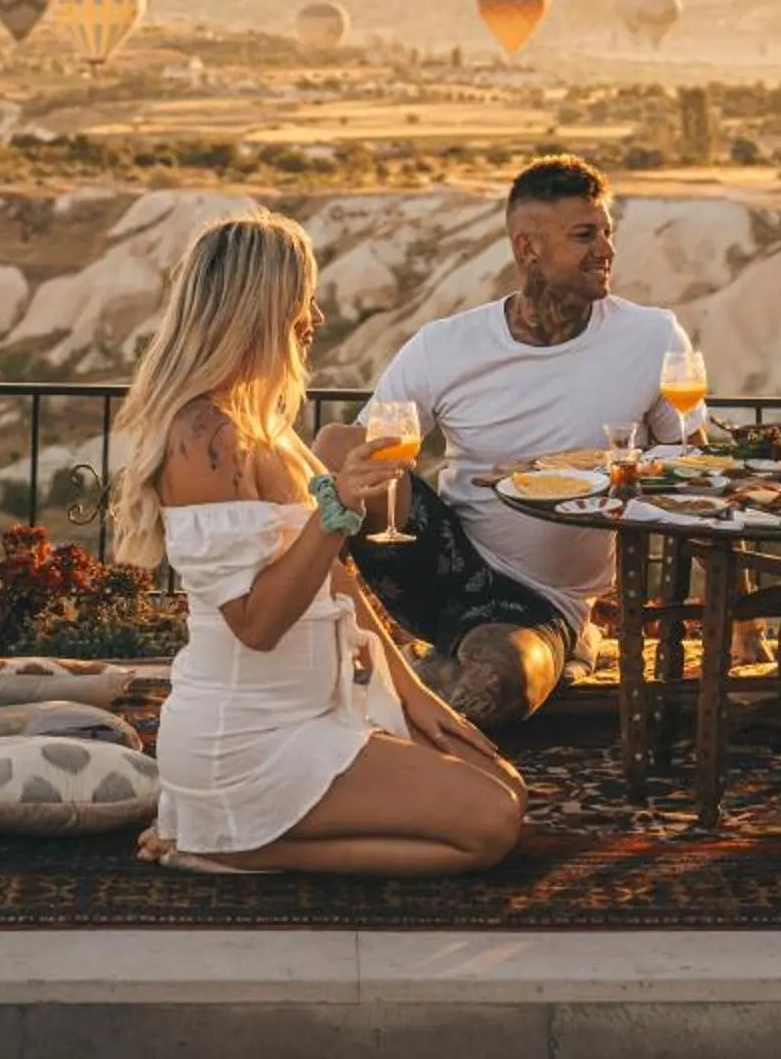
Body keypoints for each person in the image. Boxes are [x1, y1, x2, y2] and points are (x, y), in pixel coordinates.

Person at [112, 209, 526, 875]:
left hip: (314, 716)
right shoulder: (203, 439)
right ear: (261, 309)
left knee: (505, 786)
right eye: (302, 300)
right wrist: (339, 509)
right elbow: (257, 624)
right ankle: (230, 841)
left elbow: (339, 582)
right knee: (490, 825)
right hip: (248, 739)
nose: (315, 317)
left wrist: (420, 700)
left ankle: (226, 834)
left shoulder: (263, 429)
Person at [316, 154, 693, 728]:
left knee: (495, 685)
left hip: (542, 599)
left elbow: (690, 460)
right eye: (585, 235)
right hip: (442, 557)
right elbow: (370, 452)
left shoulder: (651, 335)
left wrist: (602, 470)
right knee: (339, 441)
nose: (606, 250)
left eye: (607, 233)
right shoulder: (446, 344)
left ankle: (439, 682)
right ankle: (299, 621)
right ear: (528, 248)